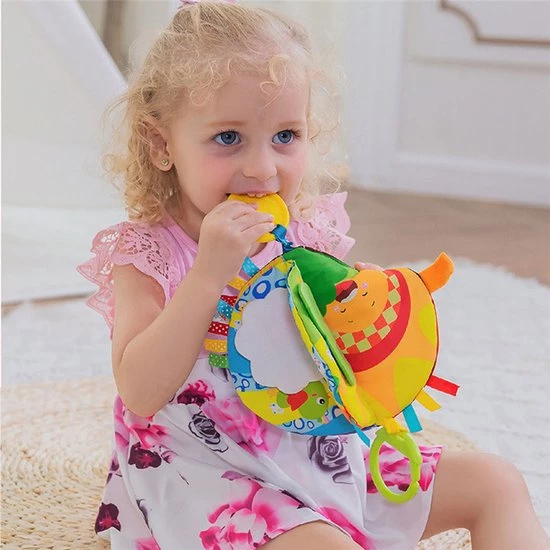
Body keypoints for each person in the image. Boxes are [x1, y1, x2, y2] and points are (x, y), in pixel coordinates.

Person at [78, 2, 550, 549]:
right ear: (162, 144)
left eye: (285, 136)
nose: (262, 168)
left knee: (495, 481)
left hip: (319, 455)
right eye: (228, 138)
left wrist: (362, 305)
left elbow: (332, 352)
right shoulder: (149, 252)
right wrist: (207, 276)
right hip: (206, 474)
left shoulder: (306, 231)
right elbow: (139, 391)